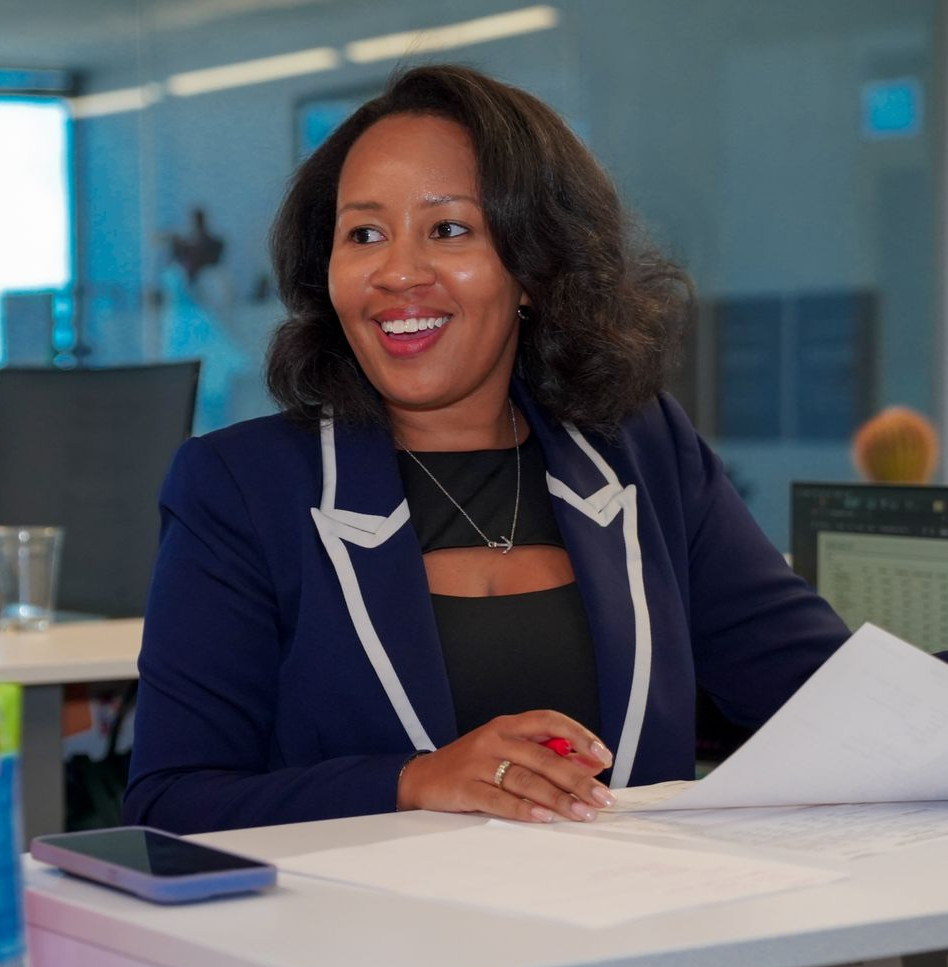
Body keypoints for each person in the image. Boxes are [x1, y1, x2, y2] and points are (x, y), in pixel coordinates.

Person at [124, 65, 849, 835]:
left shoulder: (644, 452)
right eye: (364, 234)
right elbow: (171, 802)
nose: (398, 272)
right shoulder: (242, 486)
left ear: (534, 267)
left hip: (632, 939)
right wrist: (411, 781)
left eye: (449, 229)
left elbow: (831, 699)